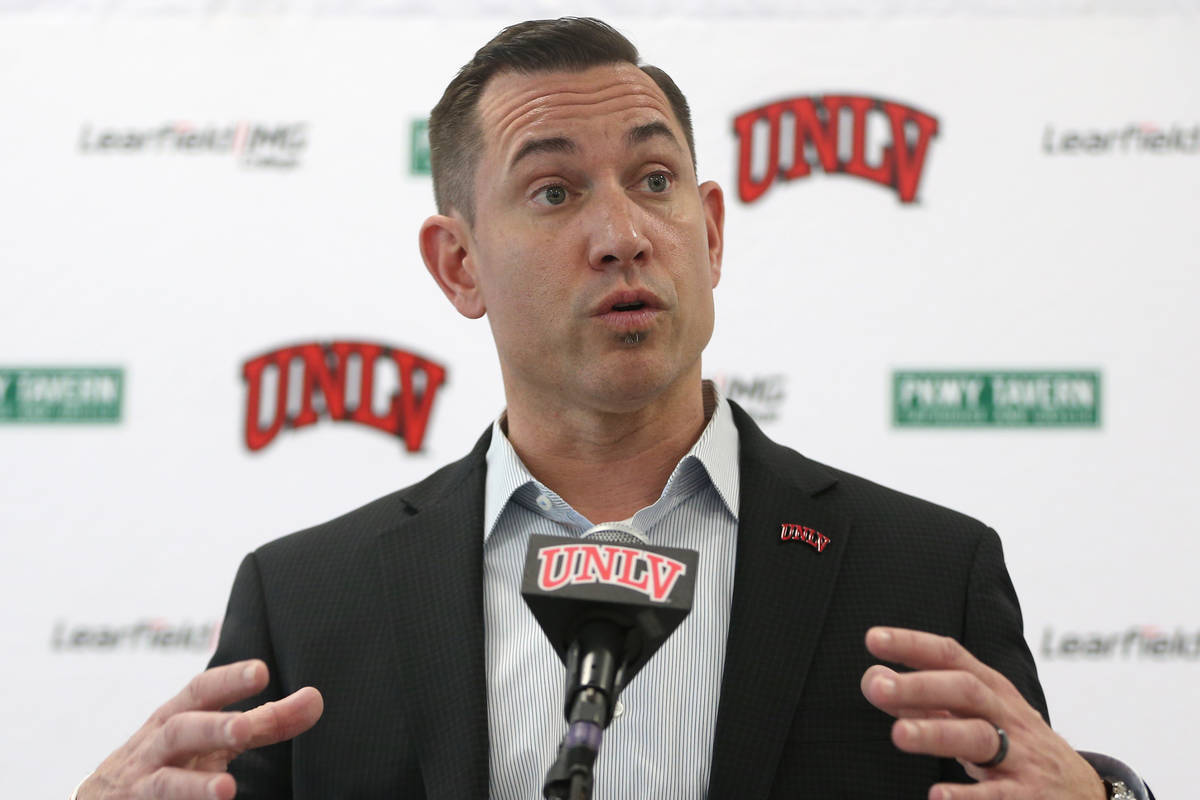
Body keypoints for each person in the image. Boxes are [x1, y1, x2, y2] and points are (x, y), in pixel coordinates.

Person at [76, 17, 1151, 800]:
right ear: (458, 265)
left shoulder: (926, 576)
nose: (624, 234)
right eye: (554, 191)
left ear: (712, 234)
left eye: (654, 180)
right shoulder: (310, 601)